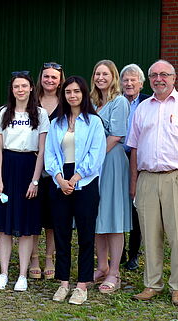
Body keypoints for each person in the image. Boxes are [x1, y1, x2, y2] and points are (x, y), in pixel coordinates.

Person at [128, 60, 178, 306]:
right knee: (150, 235)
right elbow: (134, 149)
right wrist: (134, 184)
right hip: (148, 179)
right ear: (149, 79)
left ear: (174, 78)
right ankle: (152, 284)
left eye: (164, 74)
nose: (159, 79)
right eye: (154, 75)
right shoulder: (142, 108)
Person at [45, 76, 106, 305]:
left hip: (85, 182)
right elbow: (50, 153)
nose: (72, 95)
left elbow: (97, 154)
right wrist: (60, 178)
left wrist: (77, 177)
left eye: (76, 91)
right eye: (68, 92)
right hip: (60, 181)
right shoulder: (57, 123)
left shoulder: (94, 122)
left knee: (85, 234)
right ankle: (63, 282)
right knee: (61, 234)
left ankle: (81, 284)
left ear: (84, 94)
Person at [0, 72, 49, 292]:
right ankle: (3, 272)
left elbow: (42, 150)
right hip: (7, 167)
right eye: (16, 86)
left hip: (29, 169)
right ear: (11, 89)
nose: (20, 90)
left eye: (24, 86)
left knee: (25, 226)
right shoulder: (3, 112)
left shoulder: (40, 114)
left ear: (32, 88)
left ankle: (22, 275)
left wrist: (35, 180)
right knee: (4, 226)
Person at [89, 60, 131, 294]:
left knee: (113, 217)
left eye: (105, 73)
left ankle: (114, 271)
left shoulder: (119, 102)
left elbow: (116, 135)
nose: (100, 77)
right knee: (97, 216)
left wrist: (94, 158)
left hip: (111, 161)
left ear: (113, 76)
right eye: (97, 73)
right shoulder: (93, 101)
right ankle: (102, 265)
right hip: (95, 166)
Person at [29, 62, 65, 280]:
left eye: (54, 77)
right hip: (32, 166)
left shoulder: (66, 102)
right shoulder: (32, 101)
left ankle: (50, 257)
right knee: (34, 213)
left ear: (60, 79)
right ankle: (33, 257)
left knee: (54, 217)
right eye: (46, 76)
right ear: (40, 78)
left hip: (57, 167)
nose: (50, 80)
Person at [120, 63, 151, 271]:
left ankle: (134, 254)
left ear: (141, 83)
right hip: (116, 156)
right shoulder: (116, 101)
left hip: (139, 157)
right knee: (117, 204)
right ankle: (119, 252)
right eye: (126, 80)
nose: (129, 83)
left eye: (133, 80)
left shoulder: (149, 102)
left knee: (136, 204)